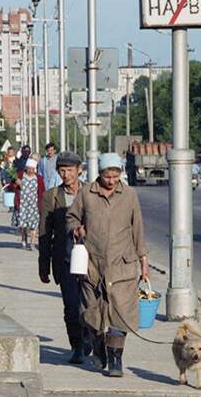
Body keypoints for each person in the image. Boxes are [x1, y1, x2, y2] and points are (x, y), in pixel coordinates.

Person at [66, 152, 150, 378]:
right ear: (100, 174)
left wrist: (143, 260)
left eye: (115, 176)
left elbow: (138, 228)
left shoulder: (129, 195)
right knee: (90, 313)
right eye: (107, 176)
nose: (111, 181)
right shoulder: (87, 193)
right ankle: (98, 343)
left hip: (122, 264)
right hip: (92, 265)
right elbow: (72, 217)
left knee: (120, 314)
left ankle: (116, 361)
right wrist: (76, 228)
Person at [39, 151, 87, 364]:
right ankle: (76, 345)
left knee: (91, 305)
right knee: (71, 305)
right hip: (65, 259)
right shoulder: (51, 196)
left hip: (91, 260)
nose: (66, 174)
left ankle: (91, 339)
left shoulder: (90, 192)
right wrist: (44, 264)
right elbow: (44, 232)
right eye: (62, 170)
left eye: (70, 170)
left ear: (79, 170)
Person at [14, 158, 45, 249]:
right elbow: (12, 186)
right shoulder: (20, 175)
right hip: (23, 204)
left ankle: (32, 243)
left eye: (33, 169)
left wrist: (42, 204)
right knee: (23, 225)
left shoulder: (38, 178)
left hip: (34, 205)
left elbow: (42, 191)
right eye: (29, 168)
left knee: (33, 224)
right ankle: (24, 240)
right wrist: (16, 183)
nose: (31, 171)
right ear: (26, 168)